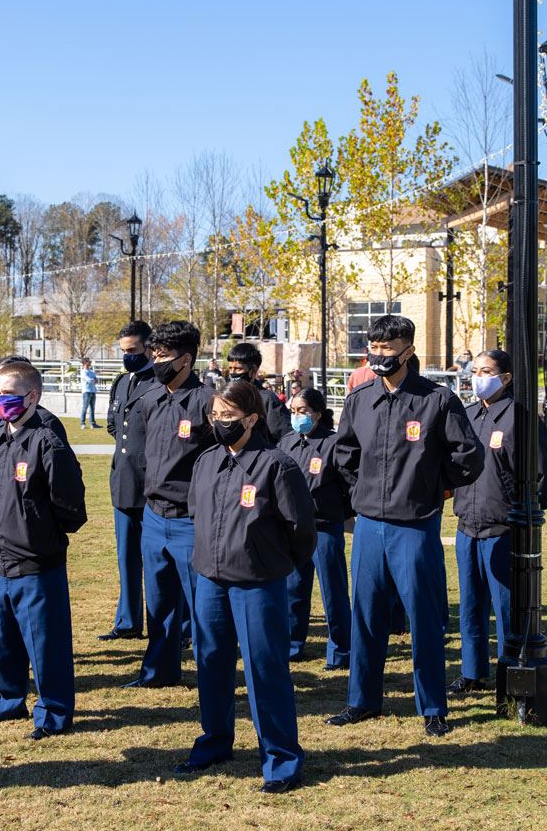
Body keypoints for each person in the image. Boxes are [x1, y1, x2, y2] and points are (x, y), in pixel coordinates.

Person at [327, 315, 483, 737]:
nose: (380, 355)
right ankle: (362, 700)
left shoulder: (437, 400)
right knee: (366, 617)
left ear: (409, 350)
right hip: (369, 528)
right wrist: (363, 493)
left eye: (388, 347)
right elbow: (344, 454)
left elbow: (468, 457)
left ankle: (432, 706)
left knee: (424, 618)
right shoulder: (360, 399)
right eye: (374, 348)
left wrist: (436, 487)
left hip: (415, 527)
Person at [175, 380, 314, 793]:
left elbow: (300, 530)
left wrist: (271, 562)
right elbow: (196, 511)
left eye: (229, 417)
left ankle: (281, 758)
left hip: (257, 584)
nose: (219, 424)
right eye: (214, 416)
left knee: (264, 669)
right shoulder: (206, 461)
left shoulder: (277, 465)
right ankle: (215, 741)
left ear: (252, 419)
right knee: (212, 663)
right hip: (210, 580)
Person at [0, 360, 87, 738]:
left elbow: (71, 506)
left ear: (32, 396)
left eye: (10, 395)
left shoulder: (47, 440)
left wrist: (39, 533)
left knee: (45, 643)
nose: (2, 401)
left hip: (36, 563)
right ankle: (6, 700)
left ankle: (53, 712)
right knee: (2, 641)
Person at [450, 350, 547, 695]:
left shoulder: (520, 418)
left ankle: (509, 672)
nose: (478, 376)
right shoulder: (467, 415)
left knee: (506, 607)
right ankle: (472, 672)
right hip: (468, 526)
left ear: (506, 377)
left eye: (487, 371)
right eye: (475, 370)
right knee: (470, 605)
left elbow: (544, 475)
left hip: (503, 528)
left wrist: (523, 516)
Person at [127, 320, 215, 688]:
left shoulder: (207, 403)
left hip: (190, 521)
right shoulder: (150, 399)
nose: (157, 361)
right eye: (154, 354)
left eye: (164, 355)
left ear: (187, 360)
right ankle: (158, 672)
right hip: (154, 517)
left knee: (203, 607)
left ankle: (212, 672)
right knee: (159, 602)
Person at [278, 389, 352, 669]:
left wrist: (340, 513)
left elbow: (349, 484)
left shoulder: (333, 444)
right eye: (293, 411)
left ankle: (341, 650)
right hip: (293, 530)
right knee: (293, 589)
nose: (297, 416)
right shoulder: (286, 442)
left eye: (303, 411)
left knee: (333, 591)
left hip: (325, 528)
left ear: (317, 414)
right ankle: (293, 645)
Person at [100, 321, 156, 641]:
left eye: (132, 351)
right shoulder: (122, 383)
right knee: (127, 558)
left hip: (152, 486)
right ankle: (128, 621)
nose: (127, 357)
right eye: (123, 351)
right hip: (123, 482)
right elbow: (113, 424)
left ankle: (170, 625)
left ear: (148, 348)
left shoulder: (159, 383)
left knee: (158, 562)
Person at [227, 342, 289, 440]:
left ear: (253, 370)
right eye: (230, 368)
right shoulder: (226, 397)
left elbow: (284, 436)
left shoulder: (267, 400)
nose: (232, 373)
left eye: (238, 369)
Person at [79, 358, 100, 429]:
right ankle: (82, 423)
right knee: (85, 408)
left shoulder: (91, 371)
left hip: (93, 391)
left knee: (92, 408)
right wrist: (93, 380)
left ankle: (92, 423)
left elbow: (96, 380)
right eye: (88, 361)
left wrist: (94, 380)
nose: (90, 362)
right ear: (85, 363)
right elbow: (89, 380)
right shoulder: (83, 372)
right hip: (86, 392)